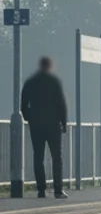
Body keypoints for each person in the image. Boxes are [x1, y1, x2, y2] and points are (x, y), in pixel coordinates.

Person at [20, 57, 69, 199]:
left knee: (38, 157)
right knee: (56, 158)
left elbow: (23, 105)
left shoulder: (30, 82)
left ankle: (41, 190)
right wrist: (63, 122)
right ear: (50, 66)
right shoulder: (54, 81)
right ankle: (58, 191)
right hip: (53, 125)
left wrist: (30, 118)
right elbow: (61, 103)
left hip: (36, 126)